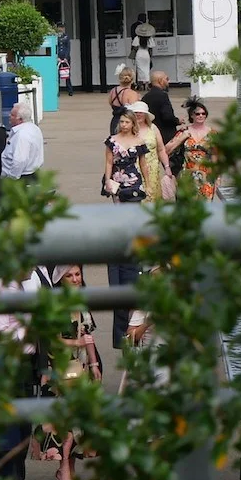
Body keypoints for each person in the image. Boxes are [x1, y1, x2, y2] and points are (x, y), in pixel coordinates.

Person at [101, 110, 152, 349]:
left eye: (126, 121)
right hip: (118, 183)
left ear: (133, 124)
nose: (122, 124)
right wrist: (108, 181)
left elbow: (143, 165)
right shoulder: (112, 141)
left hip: (134, 182)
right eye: (120, 121)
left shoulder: (139, 142)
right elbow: (109, 162)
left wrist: (149, 186)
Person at [165, 99, 219, 199]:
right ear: (192, 115)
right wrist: (180, 139)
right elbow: (166, 150)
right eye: (197, 114)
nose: (201, 116)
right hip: (187, 175)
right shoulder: (184, 132)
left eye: (203, 113)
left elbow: (216, 155)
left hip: (206, 176)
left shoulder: (212, 134)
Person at [0, 102, 44, 181]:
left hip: (22, 178)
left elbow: (20, 160)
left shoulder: (22, 135)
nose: (9, 116)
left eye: (13, 115)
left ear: (20, 119)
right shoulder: (34, 128)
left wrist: (11, 178)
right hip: (31, 174)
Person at [143, 69, 179, 156]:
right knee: (173, 164)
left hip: (151, 134)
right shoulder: (163, 96)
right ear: (160, 81)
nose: (168, 82)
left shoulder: (146, 97)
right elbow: (167, 116)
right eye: (167, 79)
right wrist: (177, 121)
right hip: (166, 135)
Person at [106, 65, 141, 138]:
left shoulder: (113, 91)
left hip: (115, 121)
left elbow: (110, 103)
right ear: (132, 79)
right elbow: (135, 110)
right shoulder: (132, 93)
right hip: (127, 123)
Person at [131, 13, 156, 85]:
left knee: (139, 69)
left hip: (139, 53)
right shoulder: (149, 38)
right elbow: (151, 48)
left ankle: (140, 83)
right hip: (146, 53)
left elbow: (134, 47)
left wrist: (133, 55)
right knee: (146, 69)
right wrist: (151, 56)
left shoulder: (137, 38)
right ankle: (147, 83)